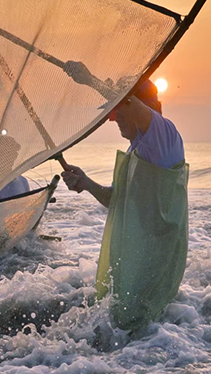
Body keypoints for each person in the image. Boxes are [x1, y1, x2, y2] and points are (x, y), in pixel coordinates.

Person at [60, 78, 189, 331]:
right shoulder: (138, 149)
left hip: (153, 263)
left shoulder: (164, 136)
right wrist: (86, 183)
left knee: (142, 330)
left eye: (119, 110)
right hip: (135, 259)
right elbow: (118, 200)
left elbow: (128, 101)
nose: (115, 117)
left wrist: (88, 77)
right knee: (124, 331)